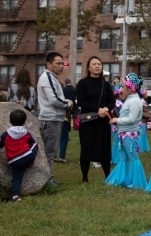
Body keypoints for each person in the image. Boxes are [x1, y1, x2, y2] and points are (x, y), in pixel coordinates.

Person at [37, 52, 73, 184]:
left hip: (54, 118)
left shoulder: (52, 77)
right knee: (49, 151)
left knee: (51, 150)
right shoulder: (47, 77)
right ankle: (44, 179)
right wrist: (68, 103)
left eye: (62, 63)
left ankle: (45, 177)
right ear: (48, 64)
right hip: (50, 119)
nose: (61, 66)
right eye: (58, 63)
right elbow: (53, 100)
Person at [106, 72, 148, 189]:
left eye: (124, 87)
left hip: (130, 134)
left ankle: (136, 182)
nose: (121, 90)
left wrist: (116, 120)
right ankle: (121, 179)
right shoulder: (130, 100)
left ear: (131, 88)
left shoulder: (134, 101)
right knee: (123, 158)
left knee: (133, 158)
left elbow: (132, 119)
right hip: (124, 134)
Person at [77, 57, 115, 182]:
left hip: (103, 120)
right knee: (86, 147)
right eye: (94, 64)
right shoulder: (83, 83)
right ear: (89, 67)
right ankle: (84, 178)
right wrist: (97, 109)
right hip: (88, 120)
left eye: (99, 64)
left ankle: (107, 176)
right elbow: (81, 102)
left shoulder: (106, 84)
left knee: (104, 147)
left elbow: (112, 102)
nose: (97, 66)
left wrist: (105, 109)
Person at [0, 109, 39, 201]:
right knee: (35, 144)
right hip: (27, 157)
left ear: (10, 121)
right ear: (24, 122)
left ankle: (15, 195)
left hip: (14, 160)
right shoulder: (26, 133)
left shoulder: (6, 134)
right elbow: (31, 142)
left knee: (17, 177)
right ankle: (30, 163)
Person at [57, 78, 78, 163]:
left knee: (56, 137)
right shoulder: (74, 89)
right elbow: (71, 103)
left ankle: (54, 155)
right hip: (64, 117)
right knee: (64, 138)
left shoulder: (62, 91)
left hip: (53, 118)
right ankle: (61, 156)